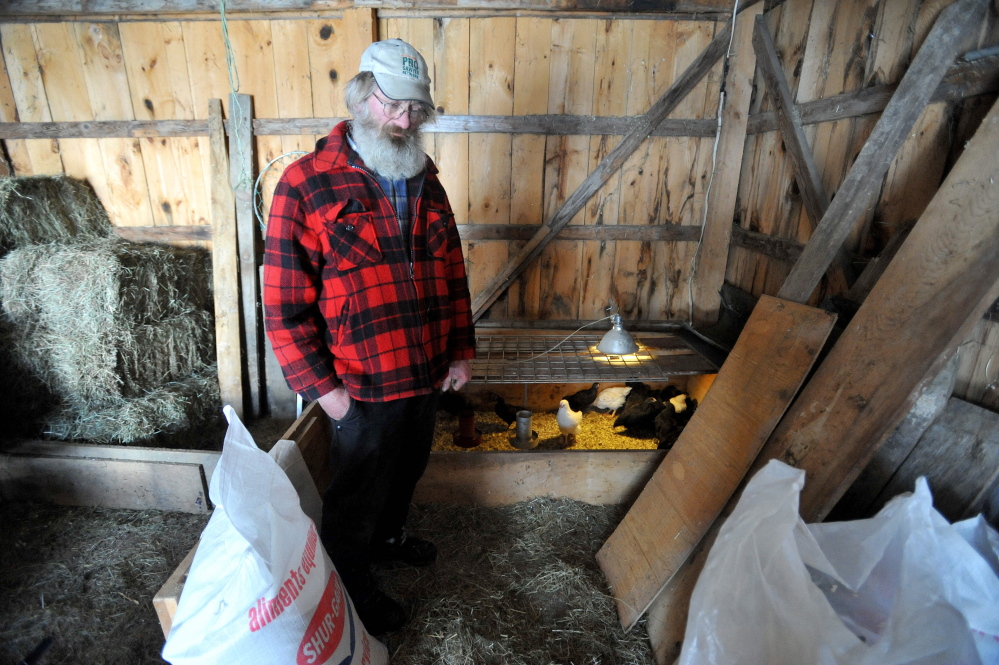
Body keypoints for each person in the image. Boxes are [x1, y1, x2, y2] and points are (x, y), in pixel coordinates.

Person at [263, 38, 475, 636]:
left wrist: (460, 350)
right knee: (357, 490)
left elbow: (451, 271)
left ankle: (388, 539)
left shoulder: (427, 181)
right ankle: (351, 584)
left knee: (408, 467)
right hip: (358, 383)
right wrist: (323, 390)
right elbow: (283, 307)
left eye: (416, 110)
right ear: (362, 97)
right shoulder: (307, 184)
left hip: (425, 370)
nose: (405, 122)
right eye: (393, 106)